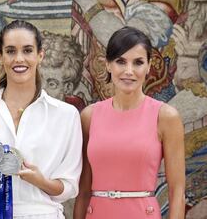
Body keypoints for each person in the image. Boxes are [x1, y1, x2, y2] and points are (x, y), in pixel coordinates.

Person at [0, 20, 83, 219]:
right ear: (0, 57)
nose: (19, 59)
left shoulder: (65, 115)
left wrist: (40, 181)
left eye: (27, 50)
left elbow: (69, 188)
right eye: (11, 51)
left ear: (40, 55)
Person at [73, 26, 185, 219]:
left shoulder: (166, 117)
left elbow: (177, 193)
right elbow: (83, 191)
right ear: (108, 65)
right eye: (121, 62)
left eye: (138, 62)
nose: (129, 71)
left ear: (149, 65)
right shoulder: (89, 117)